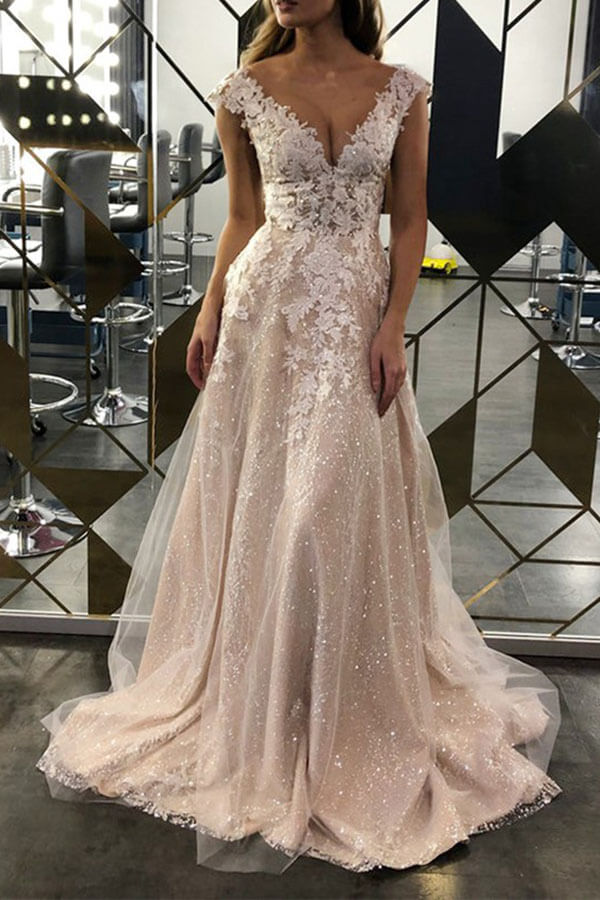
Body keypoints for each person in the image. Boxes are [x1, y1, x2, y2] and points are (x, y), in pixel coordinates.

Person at [35, 0, 563, 875]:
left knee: (326, 508)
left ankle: (346, 705)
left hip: (353, 313)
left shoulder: (402, 90)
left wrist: (393, 324)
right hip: (266, 313)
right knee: (268, 505)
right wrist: (210, 311)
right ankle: (268, 703)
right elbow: (243, 218)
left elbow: (408, 219)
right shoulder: (244, 89)